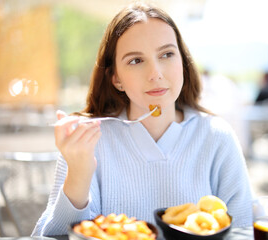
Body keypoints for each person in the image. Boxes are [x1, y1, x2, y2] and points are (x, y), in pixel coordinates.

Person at [32, 2, 253, 236]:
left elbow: (244, 230)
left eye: (167, 54)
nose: (155, 73)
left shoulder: (216, 136)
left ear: (183, 62)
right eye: (136, 60)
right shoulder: (87, 141)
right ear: (116, 78)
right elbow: (52, 236)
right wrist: (79, 174)